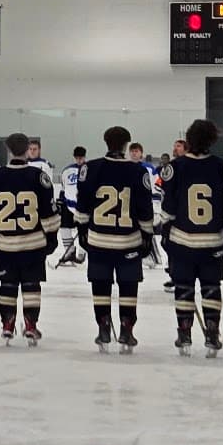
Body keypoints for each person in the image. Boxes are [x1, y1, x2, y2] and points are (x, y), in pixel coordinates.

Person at [77, 125, 156, 352]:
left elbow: (83, 203)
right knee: (128, 286)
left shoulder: (90, 169)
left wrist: (82, 228)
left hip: (99, 240)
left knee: (100, 285)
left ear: (106, 142)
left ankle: (103, 327)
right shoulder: (138, 171)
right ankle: (126, 329)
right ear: (126, 145)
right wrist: (147, 234)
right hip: (128, 241)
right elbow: (144, 208)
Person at [159, 120, 223, 357]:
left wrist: (166, 231)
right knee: (211, 287)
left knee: (184, 288)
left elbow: (168, 207)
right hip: (212, 241)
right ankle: (212, 332)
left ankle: (184, 331)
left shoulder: (176, 167)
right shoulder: (221, 166)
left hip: (182, 241)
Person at [0, 133, 58, 345]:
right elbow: (48, 214)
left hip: (5, 244)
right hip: (33, 243)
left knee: (7, 284)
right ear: (27, 150)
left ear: (8, 150)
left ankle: (7, 323)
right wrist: (51, 237)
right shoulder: (38, 176)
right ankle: (31, 325)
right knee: (31, 285)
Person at [55, 147, 88, 266]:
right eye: (77, 157)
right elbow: (63, 189)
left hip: (84, 206)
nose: (79, 160)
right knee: (64, 228)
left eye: (81, 157)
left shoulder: (90, 169)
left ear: (85, 157)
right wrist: (60, 202)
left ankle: (82, 252)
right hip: (68, 204)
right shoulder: (67, 171)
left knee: (83, 230)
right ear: (74, 157)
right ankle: (69, 252)